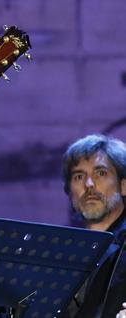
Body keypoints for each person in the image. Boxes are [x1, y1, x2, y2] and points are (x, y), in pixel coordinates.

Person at [62, 134, 126, 318]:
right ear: (69, 192)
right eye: (79, 176)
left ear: (124, 185)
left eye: (100, 173)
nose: (89, 184)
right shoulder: (63, 255)